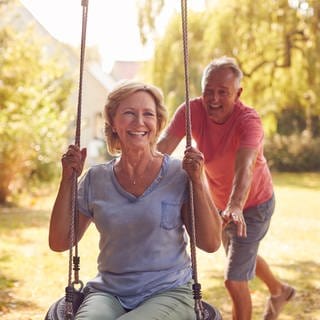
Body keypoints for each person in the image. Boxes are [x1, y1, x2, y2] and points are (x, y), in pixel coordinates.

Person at [48, 80, 222, 320]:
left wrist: (198, 182)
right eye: (129, 113)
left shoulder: (179, 174)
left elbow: (211, 243)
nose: (139, 122)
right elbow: (59, 242)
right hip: (108, 292)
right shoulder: (96, 179)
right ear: (113, 122)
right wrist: (67, 179)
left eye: (148, 114)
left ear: (158, 122)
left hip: (169, 291)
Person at [157, 56, 295, 320]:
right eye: (209, 91)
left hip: (253, 205)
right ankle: (280, 291)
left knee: (234, 279)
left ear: (238, 93)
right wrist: (136, 167)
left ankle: (277, 293)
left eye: (223, 92)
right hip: (220, 205)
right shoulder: (192, 111)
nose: (214, 99)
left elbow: (245, 168)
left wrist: (235, 205)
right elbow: (163, 147)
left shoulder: (248, 121)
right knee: (241, 256)